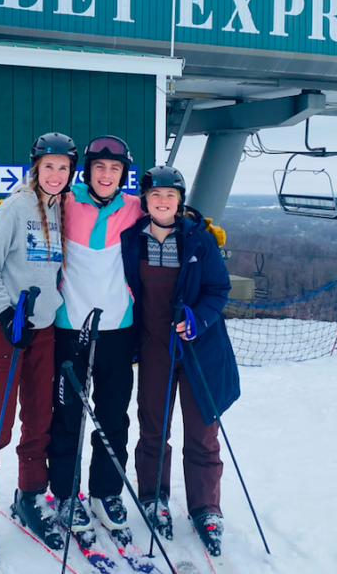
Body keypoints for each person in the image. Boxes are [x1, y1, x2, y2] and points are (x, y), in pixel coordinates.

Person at [0, 132, 78, 565]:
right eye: (49, 166)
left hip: (43, 329)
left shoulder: (63, 210)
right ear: (35, 167)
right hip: (5, 329)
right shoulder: (13, 209)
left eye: (64, 167)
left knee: (40, 418)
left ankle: (29, 495)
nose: (56, 174)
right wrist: (7, 313)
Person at [120, 165, 239, 557]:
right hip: (155, 345)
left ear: (180, 200)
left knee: (203, 430)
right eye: (156, 195)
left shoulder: (199, 241)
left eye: (170, 195)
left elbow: (218, 289)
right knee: (153, 425)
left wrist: (198, 318)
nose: (163, 201)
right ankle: (154, 497)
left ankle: (205, 506)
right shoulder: (131, 241)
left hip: (198, 347)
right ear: (145, 201)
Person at [48, 135, 144, 536]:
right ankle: (67, 493)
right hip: (71, 326)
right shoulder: (65, 202)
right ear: (87, 170)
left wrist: (199, 230)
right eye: (100, 167)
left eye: (115, 169)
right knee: (68, 415)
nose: (107, 175)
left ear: (123, 175)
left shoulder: (135, 208)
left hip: (118, 329)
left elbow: (170, 216)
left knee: (113, 417)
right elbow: (29, 215)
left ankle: (106, 491)